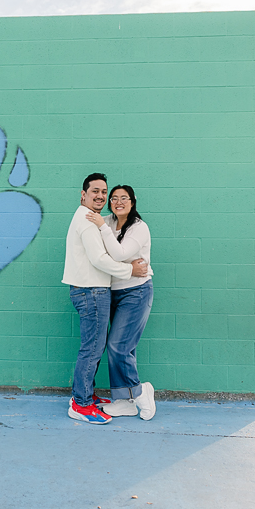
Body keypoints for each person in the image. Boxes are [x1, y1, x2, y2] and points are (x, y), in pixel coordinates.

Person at [62, 173, 148, 424]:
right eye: (95, 191)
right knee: (92, 349)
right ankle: (81, 404)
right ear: (83, 195)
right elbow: (99, 259)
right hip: (91, 291)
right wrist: (130, 270)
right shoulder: (88, 220)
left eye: (103, 192)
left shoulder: (90, 218)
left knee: (95, 348)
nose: (100, 196)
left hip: (92, 290)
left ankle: (84, 394)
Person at [85, 184, 155, 420]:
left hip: (136, 293)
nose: (117, 202)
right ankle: (123, 401)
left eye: (123, 198)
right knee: (122, 349)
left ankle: (140, 390)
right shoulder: (107, 222)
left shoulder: (139, 227)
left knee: (118, 346)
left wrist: (103, 228)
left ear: (133, 201)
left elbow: (120, 254)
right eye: (113, 198)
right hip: (114, 292)